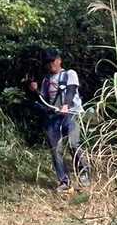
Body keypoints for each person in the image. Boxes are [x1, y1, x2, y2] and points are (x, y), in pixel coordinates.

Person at [29, 47, 88, 191]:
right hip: (54, 117)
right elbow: (44, 100)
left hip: (71, 113)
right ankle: (64, 181)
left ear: (59, 60)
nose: (51, 64)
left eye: (52, 61)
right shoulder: (46, 81)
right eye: (48, 62)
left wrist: (66, 105)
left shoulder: (70, 74)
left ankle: (84, 174)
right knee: (55, 149)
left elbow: (71, 90)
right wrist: (35, 91)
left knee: (74, 144)